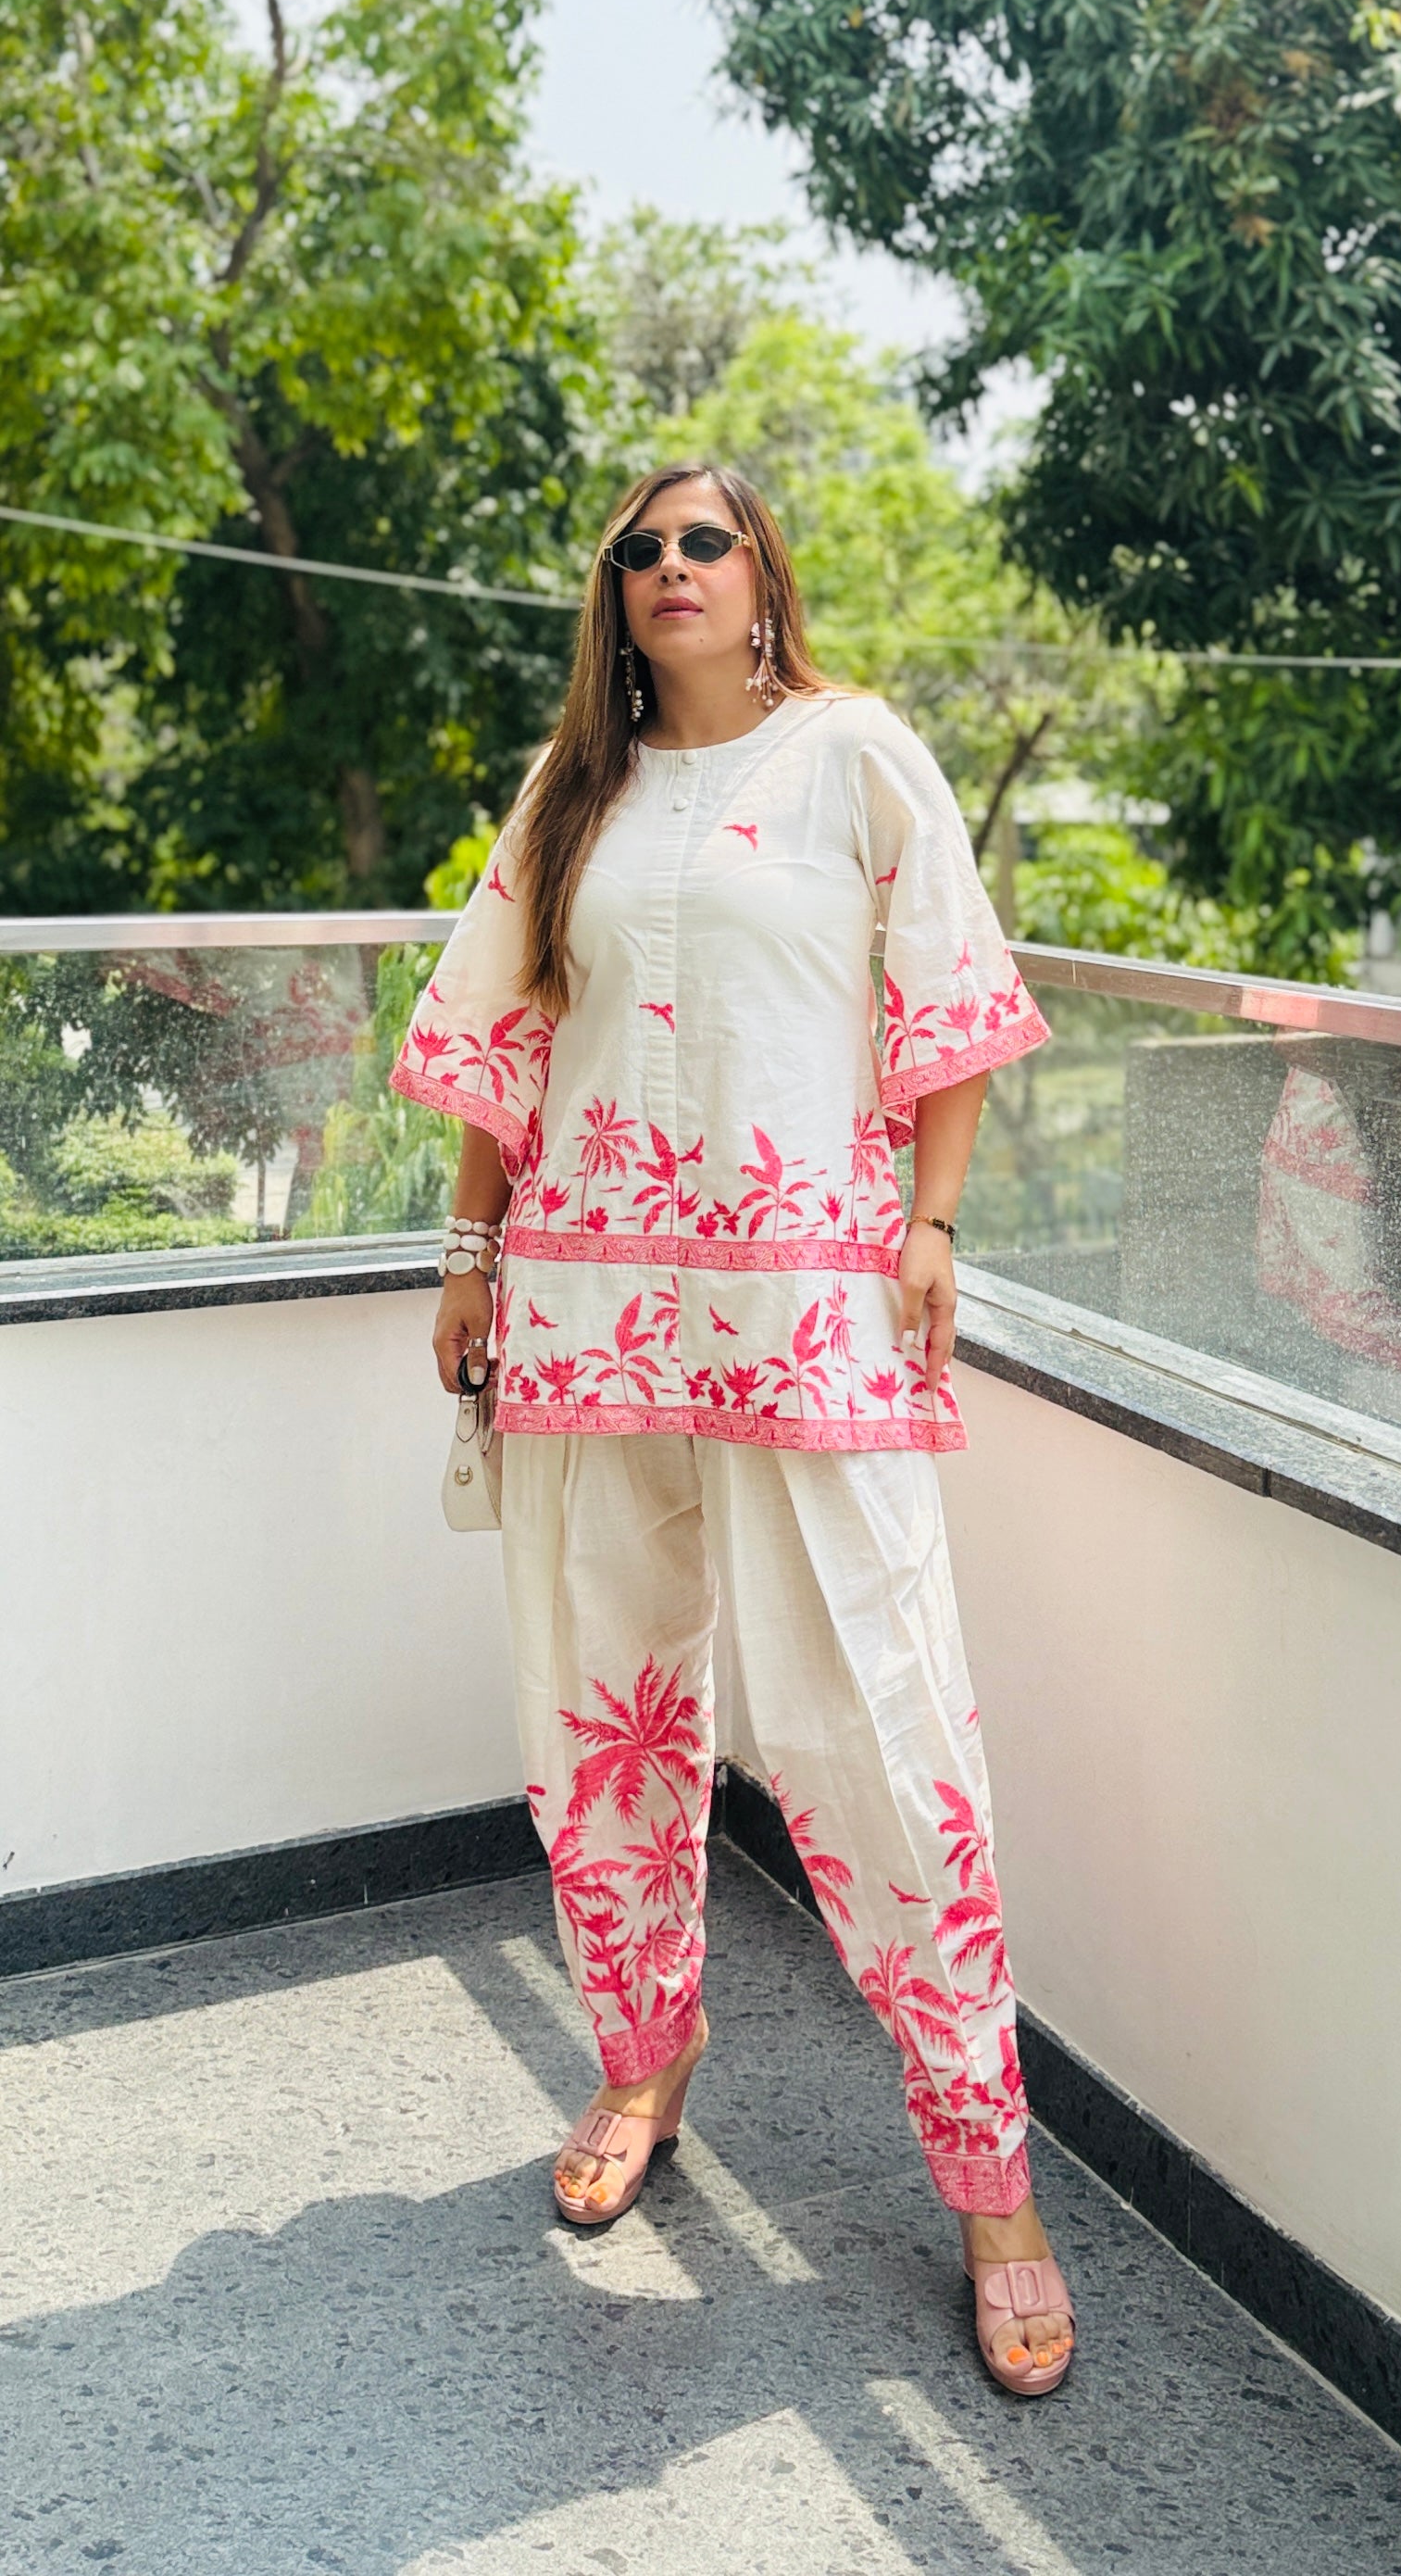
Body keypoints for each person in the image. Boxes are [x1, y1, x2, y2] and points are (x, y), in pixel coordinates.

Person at [390, 462, 1076, 2395]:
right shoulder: (574, 788)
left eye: (703, 539)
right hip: (583, 1303)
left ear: (762, 570)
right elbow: (507, 1040)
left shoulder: (859, 757)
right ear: (611, 592)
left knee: (887, 1725)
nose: (669, 566)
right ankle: (642, 2054)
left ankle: (991, 2183)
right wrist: (467, 1253)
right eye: (639, 548)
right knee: (598, 1705)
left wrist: (933, 1225)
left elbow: (947, 1002)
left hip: (806, 1309)